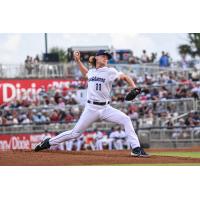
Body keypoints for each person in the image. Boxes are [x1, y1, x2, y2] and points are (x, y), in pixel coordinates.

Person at [35, 50, 149, 157]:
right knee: (75, 133)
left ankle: (136, 149)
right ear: (96, 58)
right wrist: (78, 61)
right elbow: (87, 73)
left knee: (126, 119)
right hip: (91, 108)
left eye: (107, 57)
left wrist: (135, 88)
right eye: (103, 56)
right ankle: (48, 142)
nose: (106, 58)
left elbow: (125, 77)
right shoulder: (92, 72)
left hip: (105, 108)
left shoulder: (110, 71)